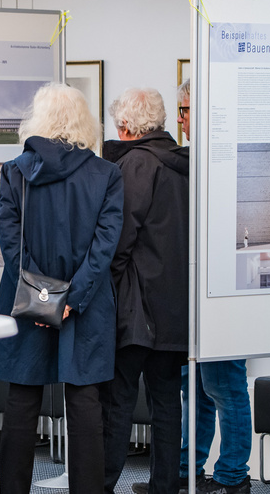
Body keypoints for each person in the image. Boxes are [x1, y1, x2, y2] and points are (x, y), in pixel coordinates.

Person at [0, 83, 124, 494]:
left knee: (21, 403)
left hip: (25, 301)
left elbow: (12, 248)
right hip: (86, 307)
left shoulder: (14, 172)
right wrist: (71, 300)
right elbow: (105, 248)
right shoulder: (108, 175)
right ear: (84, 121)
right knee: (85, 405)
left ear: (38, 120)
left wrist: (43, 299)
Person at [100, 87, 188, 494]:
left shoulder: (136, 164)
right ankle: (165, 485)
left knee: (118, 401)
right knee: (167, 401)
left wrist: (109, 286)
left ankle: (101, 484)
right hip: (174, 306)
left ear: (128, 126)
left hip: (136, 306)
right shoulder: (184, 164)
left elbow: (120, 238)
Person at [177, 79, 252, 494]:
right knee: (196, 386)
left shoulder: (225, 158)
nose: (181, 119)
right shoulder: (197, 159)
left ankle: (233, 477)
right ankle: (190, 470)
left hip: (225, 289)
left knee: (224, 385)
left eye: (185, 110)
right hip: (198, 289)